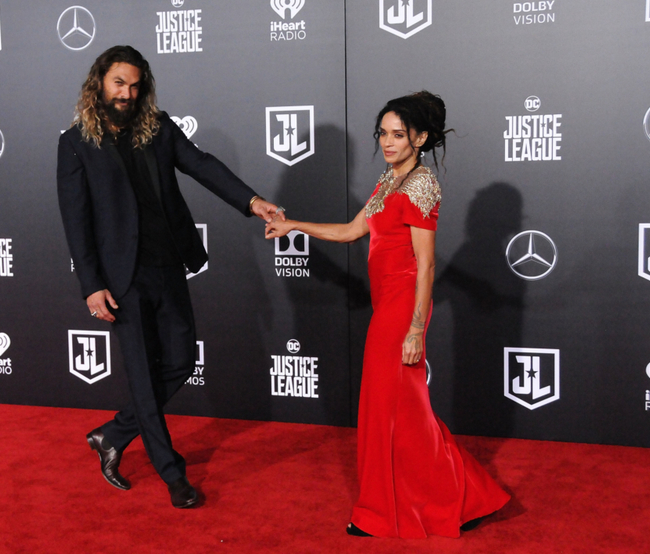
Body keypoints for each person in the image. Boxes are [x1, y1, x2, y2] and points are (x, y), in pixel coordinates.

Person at [265, 92, 509, 538]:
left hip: (402, 312)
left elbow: (427, 263)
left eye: (399, 134)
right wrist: (293, 224)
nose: (388, 142)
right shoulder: (387, 182)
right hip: (388, 308)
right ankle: (461, 495)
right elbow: (351, 232)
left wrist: (416, 328)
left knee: (388, 411)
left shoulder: (420, 184)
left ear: (421, 137)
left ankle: (384, 511)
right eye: (383, 133)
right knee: (402, 412)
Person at [57, 45, 282, 509]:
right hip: (121, 278)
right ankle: (172, 474)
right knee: (142, 374)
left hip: (167, 266)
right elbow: (75, 220)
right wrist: (91, 284)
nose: (128, 92)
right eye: (119, 82)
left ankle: (113, 435)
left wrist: (252, 201)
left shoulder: (157, 127)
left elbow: (202, 165)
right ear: (99, 82)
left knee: (179, 361)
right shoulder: (77, 142)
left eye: (136, 84)